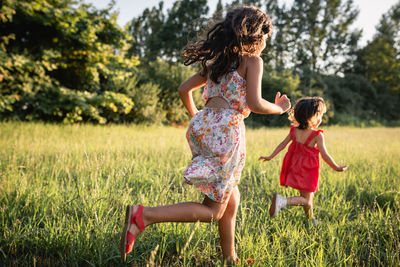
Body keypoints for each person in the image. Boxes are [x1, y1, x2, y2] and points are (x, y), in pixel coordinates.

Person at [120, 6, 291, 264]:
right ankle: (143, 216)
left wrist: (198, 117)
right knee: (213, 210)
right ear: (256, 36)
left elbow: (183, 89)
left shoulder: (217, 62)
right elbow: (255, 104)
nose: (265, 44)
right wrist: (279, 108)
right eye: (265, 38)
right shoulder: (252, 62)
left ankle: (229, 257)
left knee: (231, 198)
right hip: (226, 133)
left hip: (203, 128)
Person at [259, 97, 348, 221]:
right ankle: (282, 202)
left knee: (307, 198)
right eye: (320, 115)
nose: (321, 118)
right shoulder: (317, 135)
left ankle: (311, 219)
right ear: (314, 117)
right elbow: (325, 155)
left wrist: (270, 156)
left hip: (294, 167)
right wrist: (336, 167)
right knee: (306, 200)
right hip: (307, 170)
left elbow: (282, 145)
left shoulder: (294, 130)